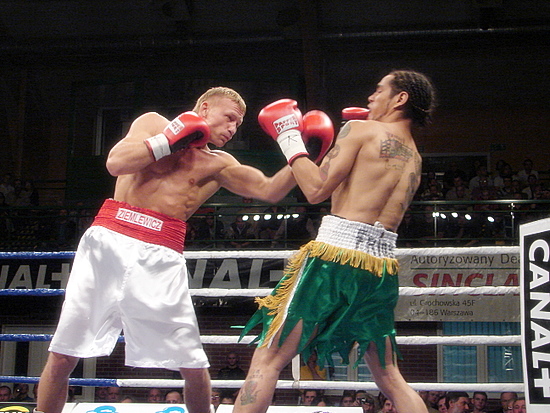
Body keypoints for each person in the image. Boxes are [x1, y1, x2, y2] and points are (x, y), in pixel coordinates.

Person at [35, 86, 301, 413]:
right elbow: (116, 163)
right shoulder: (153, 124)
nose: (233, 128)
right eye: (230, 117)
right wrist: (170, 140)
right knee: (64, 353)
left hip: (161, 256)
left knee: (193, 364)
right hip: (109, 241)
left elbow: (270, 190)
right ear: (205, 108)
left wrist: (300, 147)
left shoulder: (218, 163)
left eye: (238, 124)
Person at [234, 70, 436, 413]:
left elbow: (315, 190)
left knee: (267, 360)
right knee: (389, 375)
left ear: (400, 98)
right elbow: (363, 191)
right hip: (381, 268)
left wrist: (289, 137)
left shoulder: (361, 130)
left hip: (335, 258)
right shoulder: (415, 156)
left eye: (379, 91)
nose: (371, 97)